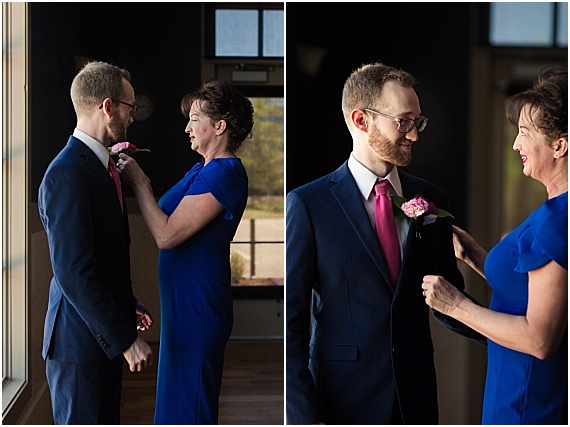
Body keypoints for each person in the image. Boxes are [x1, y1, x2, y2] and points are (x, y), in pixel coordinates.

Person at [286, 62, 484, 425]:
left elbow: (447, 300)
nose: (414, 135)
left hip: (415, 400)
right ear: (361, 120)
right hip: (341, 401)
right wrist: (301, 416)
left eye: (418, 122)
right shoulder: (308, 204)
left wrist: (511, 337)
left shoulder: (431, 198)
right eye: (404, 121)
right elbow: (292, 323)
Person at [422, 68, 568, 424]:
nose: (516, 144)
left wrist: (455, 305)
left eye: (525, 132)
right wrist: (475, 256)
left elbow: (538, 339)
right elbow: (530, 291)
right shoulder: (557, 211)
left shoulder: (556, 219)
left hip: (526, 401)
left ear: (560, 144)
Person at [118, 78, 253, 424]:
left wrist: (140, 182)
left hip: (200, 303)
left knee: (190, 405)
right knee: (175, 400)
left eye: (194, 119)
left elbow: (166, 234)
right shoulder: (200, 169)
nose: (186, 127)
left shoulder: (227, 173)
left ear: (219, 126)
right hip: (181, 302)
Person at [38, 61, 153, 425]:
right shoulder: (67, 173)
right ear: (108, 107)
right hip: (78, 347)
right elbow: (73, 273)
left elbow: (102, 257)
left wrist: (126, 304)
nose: (133, 117)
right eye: (130, 108)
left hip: (96, 339)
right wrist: (123, 339)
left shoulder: (98, 166)